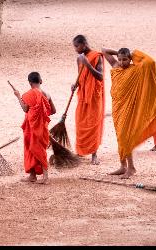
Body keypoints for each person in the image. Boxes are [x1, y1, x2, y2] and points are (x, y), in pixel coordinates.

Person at [102, 48, 156, 178]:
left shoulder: (136, 70)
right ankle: (122, 166)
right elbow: (104, 51)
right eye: (120, 59)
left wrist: (133, 55)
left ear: (130, 59)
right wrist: (119, 53)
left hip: (129, 110)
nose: (121, 62)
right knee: (120, 137)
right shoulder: (116, 67)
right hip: (117, 108)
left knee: (126, 137)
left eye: (125, 59)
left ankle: (131, 168)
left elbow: (150, 62)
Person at [13, 72, 56, 184]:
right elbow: (53, 110)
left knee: (34, 149)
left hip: (31, 126)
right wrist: (41, 115)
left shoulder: (27, 95)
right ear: (40, 81)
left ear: (30, 83)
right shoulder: (47, 94)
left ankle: (45, 177)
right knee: (37, 149)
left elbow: (25, 109)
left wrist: (18, 96)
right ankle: (33, 176)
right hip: (41, 127)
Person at [71, 35, 105, 165]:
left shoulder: (97, 56)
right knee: (80, 122)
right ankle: (80, 150)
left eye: (77, 46)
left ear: (84, 44)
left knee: (93, 123)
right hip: (82, 95)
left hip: (94, 97)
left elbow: (100, 77)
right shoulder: (79, 58)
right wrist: (75, 84)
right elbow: (81, 76)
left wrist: (88, 65)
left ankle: (94, 154)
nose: (75, 49)